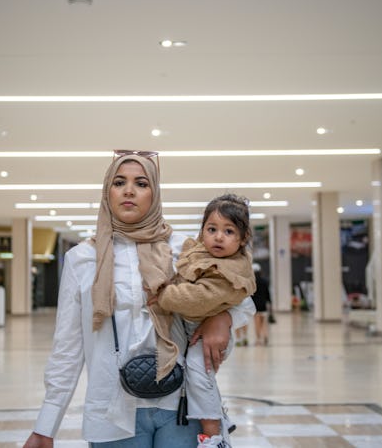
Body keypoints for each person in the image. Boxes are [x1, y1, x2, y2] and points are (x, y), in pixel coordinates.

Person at [23, 151, 255, 448]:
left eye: (142, 183)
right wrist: (46, 424)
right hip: (112, 410)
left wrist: (223, 318)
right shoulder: (82, 259)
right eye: (119, 182)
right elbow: (68, 345)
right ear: (107, 191)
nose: (129, 190)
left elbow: (240, 296)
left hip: (180, 406)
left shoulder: (185, 249)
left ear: (155, 193)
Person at [151, 194, 256, 448]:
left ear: (242, 239)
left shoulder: (232, 270)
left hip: (202, 328)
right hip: (186, 325)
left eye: (229, 231)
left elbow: (196, 297)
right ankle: (218, 415)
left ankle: (213, 436)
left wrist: (162, 295)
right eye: (212, 229)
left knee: (199, 371)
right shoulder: (196, 250)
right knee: (193, 373)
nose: (218, 237)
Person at [251, 264, 271, 346]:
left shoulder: (252, 282)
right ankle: (265, 335)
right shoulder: (265, 281)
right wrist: (270, 302)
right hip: (263, 305)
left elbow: (250, 295)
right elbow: (267, 293)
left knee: (257, 323)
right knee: (264, 323)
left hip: (255, 305)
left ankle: (258, 339)